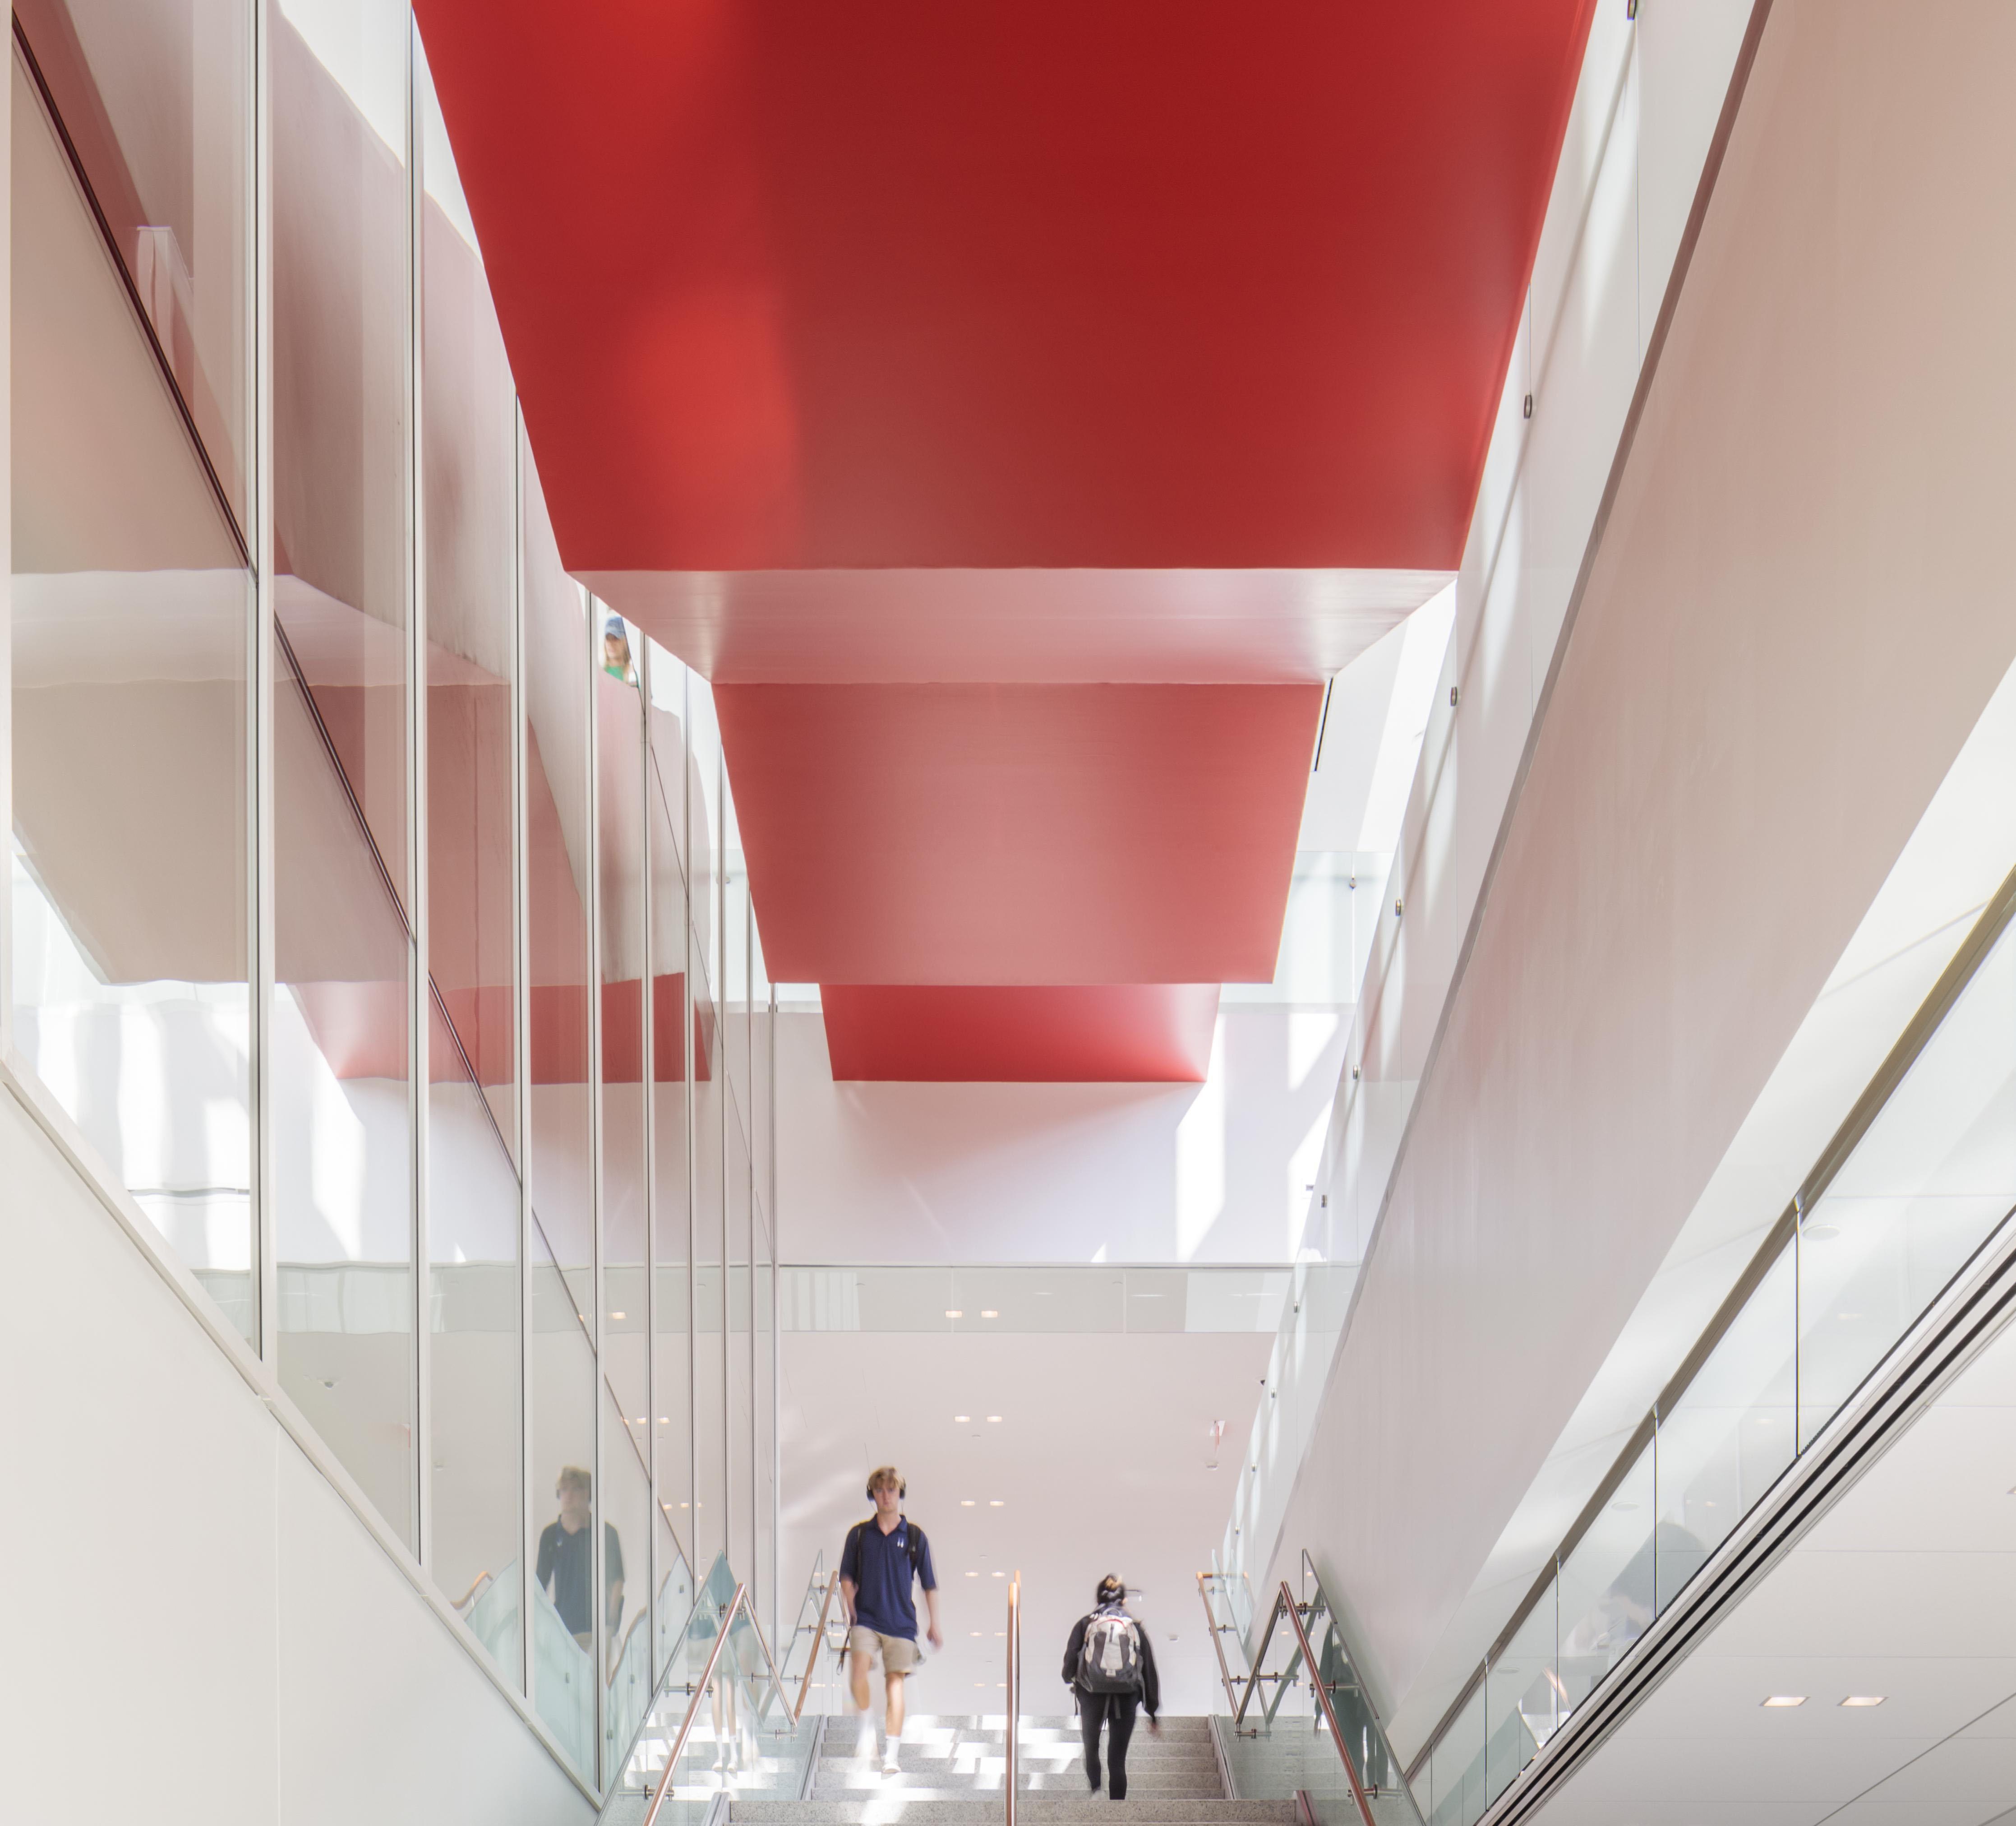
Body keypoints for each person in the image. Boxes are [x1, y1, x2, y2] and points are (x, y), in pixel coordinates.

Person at [839, 1465, 942, 1776]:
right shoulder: (859, 1535)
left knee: (894, 1683)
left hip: (900, 1623)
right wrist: (851, 1607)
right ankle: (867, 1730)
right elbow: (846, 1576)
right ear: (873, 1494)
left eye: (892, 1490)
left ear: (900, 1493)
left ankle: (891, 1755)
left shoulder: (913, 1536)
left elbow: (929, 1584)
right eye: (880, 1490)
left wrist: (934, 1623)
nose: (886, 1496)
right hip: (866, 1618)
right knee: (857, 1669)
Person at [1063, 1576, 1160, 1799]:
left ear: (1097, 1598)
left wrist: (1071, 1679)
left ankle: (1097, 1790)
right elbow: (1149, 1671)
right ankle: (1117, 1812)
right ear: (1124, 1601)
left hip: (1091, 1693)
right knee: (1117, 1759)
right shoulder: (1135, 1628)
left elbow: (1068, 1665)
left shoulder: (1086, 1624)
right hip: (1127, 1695)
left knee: (1092, 1747)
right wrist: (1152, 1711)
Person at [536, 1465, 625, 1653]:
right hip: (564, 1628)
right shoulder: (551, 1535)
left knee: (595, 1681)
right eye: (564, 1489)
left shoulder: (605, 1533)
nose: (569, 1496)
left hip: (598, 1629)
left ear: (588, 1494)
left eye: (576, 1489)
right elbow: (540, 1584)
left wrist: (611, 1619)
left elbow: (617, 1578)